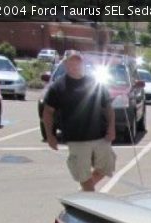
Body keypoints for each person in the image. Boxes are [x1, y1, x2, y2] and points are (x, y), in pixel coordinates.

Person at [41, 51, 116, 192]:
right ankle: (91, 201)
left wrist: (111, 128)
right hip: (77, 139)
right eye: (71, 62)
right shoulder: (58, 86)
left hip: (100, 136)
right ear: (65, 64)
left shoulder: (94, 83)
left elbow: (108, 108)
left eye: (78, 62)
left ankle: (83, 194)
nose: (75, 65)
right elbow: (47, 112)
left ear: (83, 64)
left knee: (106, 167)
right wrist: (50, 136)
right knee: (83, 175)